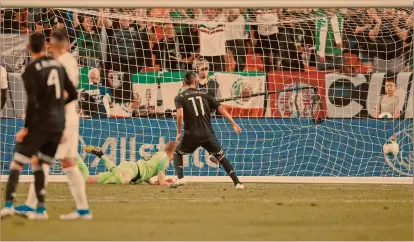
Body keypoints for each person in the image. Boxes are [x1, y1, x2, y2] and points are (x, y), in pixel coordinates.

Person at [13, 29, 92, 220]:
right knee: (61, 161)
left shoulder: (62, 63)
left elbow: (65, 94)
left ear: (52, 45)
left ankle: (34, 207)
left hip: (61, 118)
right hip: (63, 117)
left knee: (46, 160)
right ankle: (81, 210)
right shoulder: (66, 62)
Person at [0, 32, 77, 220]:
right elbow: (73, 94)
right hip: (58, 123)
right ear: (45, 48)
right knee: (39, 163)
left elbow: (32, 102)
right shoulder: (58, 65)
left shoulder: (30, 69)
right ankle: (41, 209)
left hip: (41, 122)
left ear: (28, 48)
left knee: (17, 162)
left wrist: (26, 128)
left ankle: (8, 205)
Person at [170, 71, 244, 189]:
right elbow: (221, 109)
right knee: (221, 157)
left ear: (184, 82)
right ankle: (238, 183)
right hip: (207, 134)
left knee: (177, 153)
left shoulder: (179, 97)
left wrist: (179, 132)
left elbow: (180, 115)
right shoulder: (206, 94)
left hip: (192, 135)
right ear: (196, 82)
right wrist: (233, 124)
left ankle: (180, 178)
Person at [78, 141, 177, 185]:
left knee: (87, 180)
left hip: (129, 169)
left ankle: (75, 158)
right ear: (174, 151)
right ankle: (101, 154)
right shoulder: (165, 160)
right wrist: (171, 183)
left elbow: (146, 169)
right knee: (123, 181)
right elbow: (161, 182)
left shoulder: (160, 154)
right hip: (131, 171)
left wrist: (151, 182)